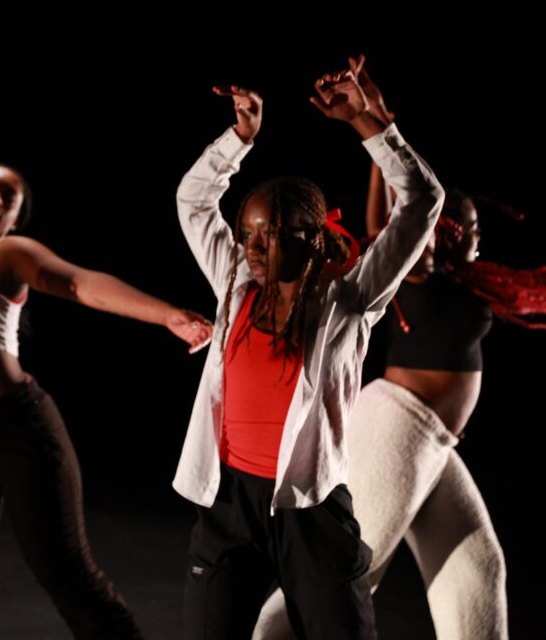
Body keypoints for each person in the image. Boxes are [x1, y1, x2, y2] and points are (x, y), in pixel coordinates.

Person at [250, 57, 543, 640]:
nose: (475, 237)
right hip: (399, 426)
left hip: (433, 438)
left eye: (479, 229)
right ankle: (269, 633)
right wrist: (377, 121)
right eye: (463, 226)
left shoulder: (475, 283)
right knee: (352, 571)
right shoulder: (417, 268)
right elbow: (389, 220)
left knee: (477, 569)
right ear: (439, 232)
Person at [173, 63, 444, 639]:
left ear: (314, 237)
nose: (259, 247)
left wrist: (370, 128)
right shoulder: (233, 283)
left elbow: (422, 202)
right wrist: (239, 139)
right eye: (250, 235)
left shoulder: (350, 299)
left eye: (277, 233)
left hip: (312, 509)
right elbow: (194, 200)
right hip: (230, 503)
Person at [0, 156, 214, 639]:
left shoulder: (8, 254)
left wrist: (167, 315)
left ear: (14, 220)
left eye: (8, 198)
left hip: (15, 428)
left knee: (69, 578)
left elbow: (78, 282)